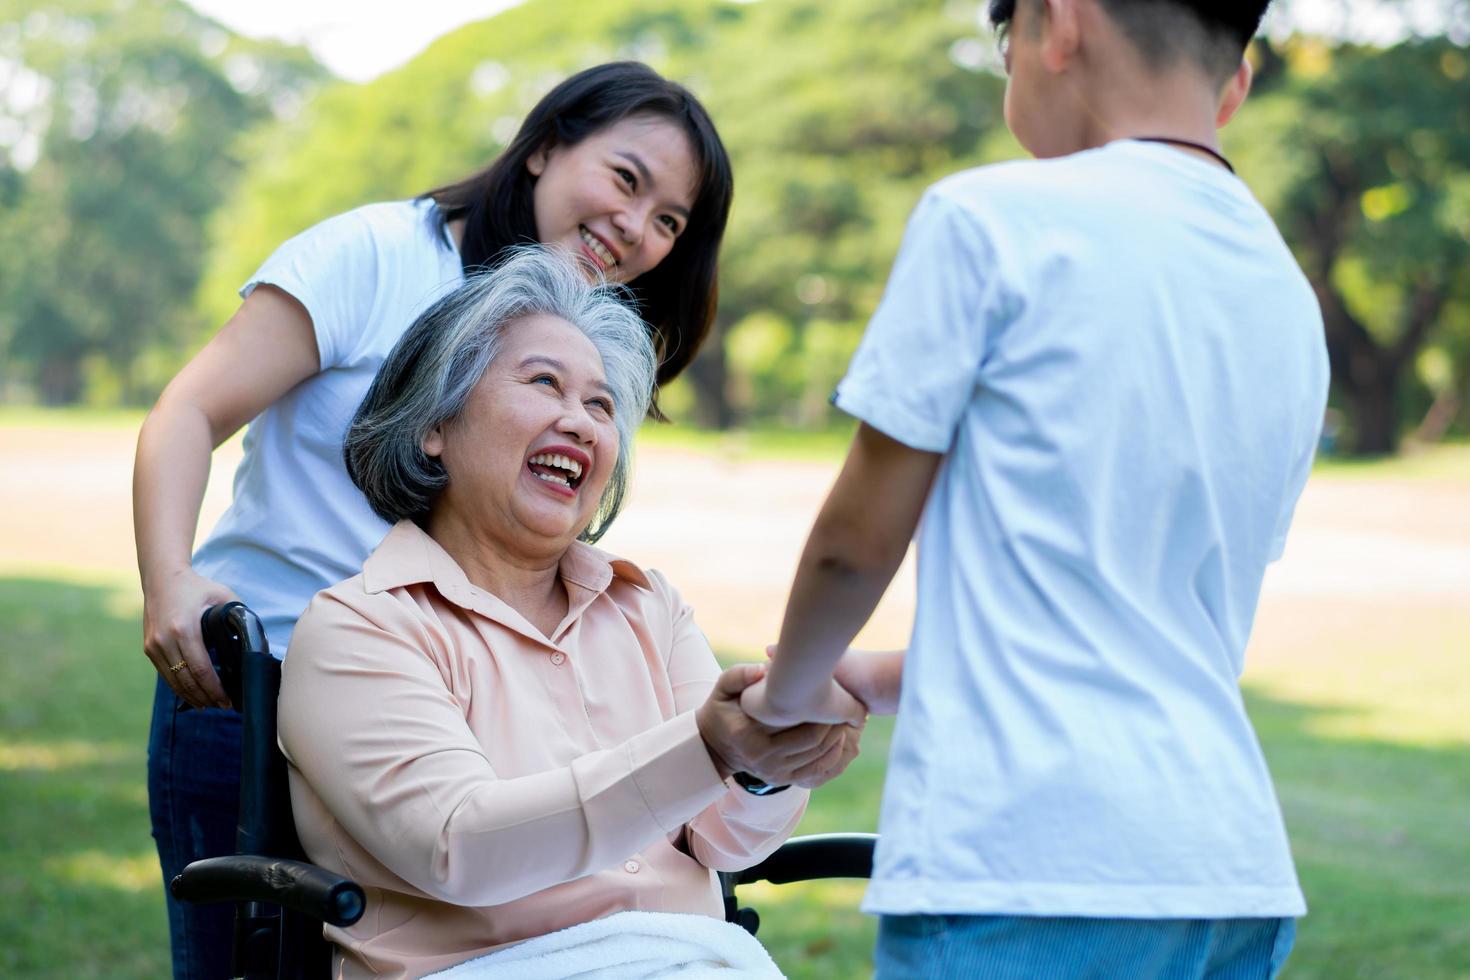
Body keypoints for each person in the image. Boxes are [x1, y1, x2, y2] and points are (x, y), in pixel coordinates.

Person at [742, 0, 1330, 977]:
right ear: (1237, 78)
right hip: (1229, 871)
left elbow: (856, 542)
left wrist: (786, 701)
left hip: (1026, 863)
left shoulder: (989, 220)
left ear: (1059, 24)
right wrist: (868, 681)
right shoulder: (1284, 292)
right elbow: (1141, 619)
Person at [132, 62, 734, 978]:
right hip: (260, 681)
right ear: (542, 149)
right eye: (626, 179)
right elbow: (190, 410)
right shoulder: (374, 257)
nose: (637, 229)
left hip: (459, 699)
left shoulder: (574, 340)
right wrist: (169, 578)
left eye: (670, 222)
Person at [279, 249, 861, 978]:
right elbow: (460, 847)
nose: (580, 423)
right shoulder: (360, 628)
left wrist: (768, 766)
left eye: (600, 405)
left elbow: (726, 844)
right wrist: (709, 751)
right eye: (544, 383)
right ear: (435, 422)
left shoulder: (650, 607)